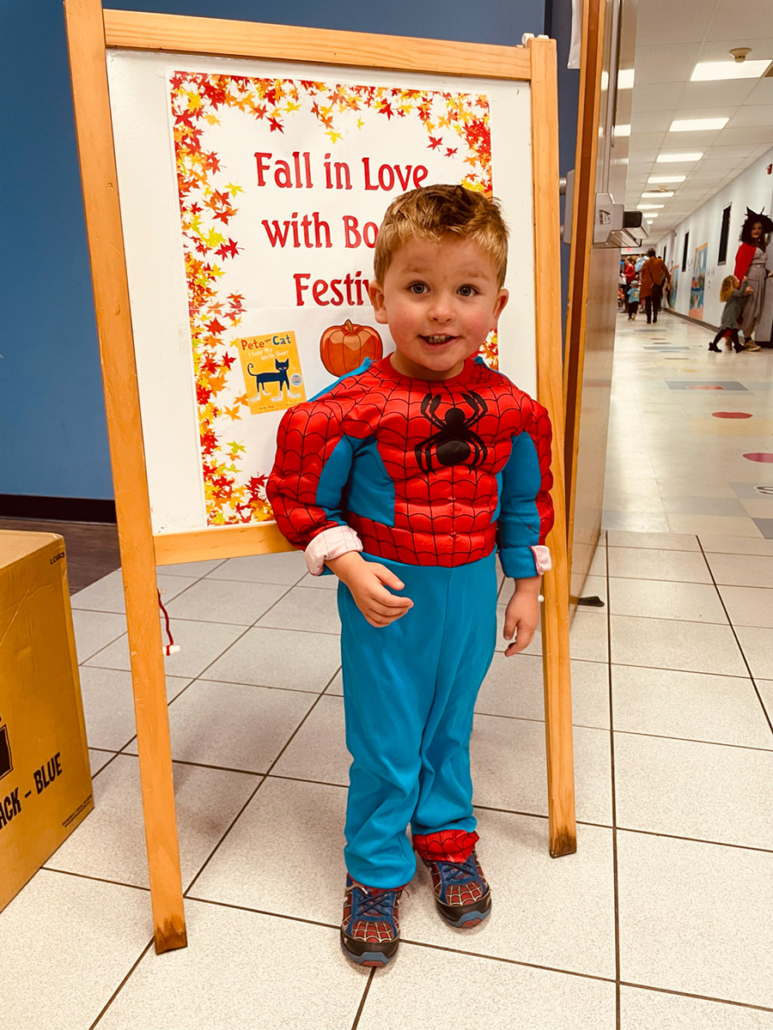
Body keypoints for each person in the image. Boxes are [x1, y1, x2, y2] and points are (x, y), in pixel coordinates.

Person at [267, 184, 554, 968]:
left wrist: (526, 585)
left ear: (496, 304)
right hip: (385, 596)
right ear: (378, 297)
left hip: (469, 591)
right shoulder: (342, 411)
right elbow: (302, 499)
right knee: (386, 739)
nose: (440, 313)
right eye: (418, 287)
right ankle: (375, 869)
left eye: (465, 291)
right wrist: (350, 565)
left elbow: (524, 501)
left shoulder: (512, 410)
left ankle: (447, 837)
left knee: (448, 726)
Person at [733, 208, 773, 351]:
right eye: (754, 228)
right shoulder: (746, 247)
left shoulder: (760, 246)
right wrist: (743, 286)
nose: (756, 231)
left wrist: (767, 273)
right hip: (751, 281)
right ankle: (747, 339)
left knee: (756, 309)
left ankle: (739, 336)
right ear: (748, 230)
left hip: (760, 280)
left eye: (759, 228)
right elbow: (741, 266)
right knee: (749, 309)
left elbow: (760, 265)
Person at [708, 275, 752, 353]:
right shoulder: (733, 292)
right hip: (729, 316)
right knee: (725, 331)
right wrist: (744, 282)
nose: (739, 280)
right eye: (737, 279)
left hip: (730, 316)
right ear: (732, 283)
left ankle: (736, 345)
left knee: (732, 330)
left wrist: (746, 294)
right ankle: (715, 344)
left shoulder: (733, 293)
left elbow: (741, 299)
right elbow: (741, 293)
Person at [640, 248, 671, 324]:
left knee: (648, 301)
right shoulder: (660, 261)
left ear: (648, 255)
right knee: (655, 301)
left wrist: (643, 280)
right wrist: (668, 280)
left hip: (647, 284)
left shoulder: (646, 263)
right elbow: (666, 271)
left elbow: (642, 273)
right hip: (656, 283)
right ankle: (655, 316)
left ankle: (648, 318)